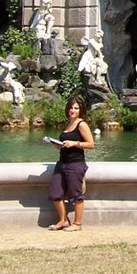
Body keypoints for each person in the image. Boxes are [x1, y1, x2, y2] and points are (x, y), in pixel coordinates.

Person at [48, 97, 95, 231]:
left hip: (75, 164)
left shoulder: (82, 124)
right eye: (71, 108)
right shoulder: (68, 124)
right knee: (56, 192)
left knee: (76, 194)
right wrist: (58, 145)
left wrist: (75, 143)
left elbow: (91, 144)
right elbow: (65, 143)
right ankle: (63, 220)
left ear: (80, 110)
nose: (72, 110)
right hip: (62, 162)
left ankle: (77, 224)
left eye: (76, 108)